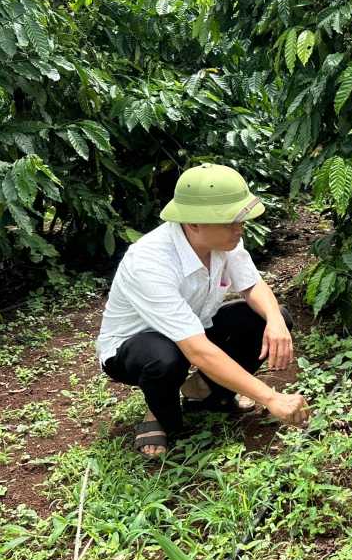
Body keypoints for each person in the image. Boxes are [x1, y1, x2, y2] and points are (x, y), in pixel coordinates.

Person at [96, 164, 310, 457]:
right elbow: (196, 350)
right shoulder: (150, 262)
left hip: (194, 329)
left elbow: (251, 285)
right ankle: (157, 413)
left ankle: (203, 391)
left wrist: (274, 320)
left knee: (272, 317)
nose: (240, 228)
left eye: (240, 220)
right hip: (136, 348)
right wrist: (270, 397)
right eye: (229, 221)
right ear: (193, 223)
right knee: (164, 357)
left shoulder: (225, 239)